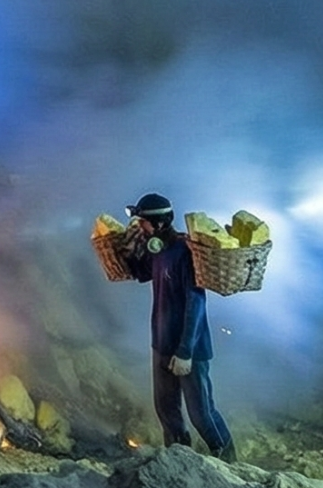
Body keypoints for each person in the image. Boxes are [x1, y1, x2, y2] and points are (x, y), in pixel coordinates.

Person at [122, 192, 234, 458]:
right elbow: (141, 273)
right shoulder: (158, 250)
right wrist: (128, 253)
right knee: (166, 408)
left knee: (201, 413)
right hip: (161, 343)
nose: (140, 227)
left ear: (159, 222)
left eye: (143, 222)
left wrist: (185, 351)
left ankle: (229, 463)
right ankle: (179, 459)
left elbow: (196, 303)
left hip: (189, 348)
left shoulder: (185, 252)